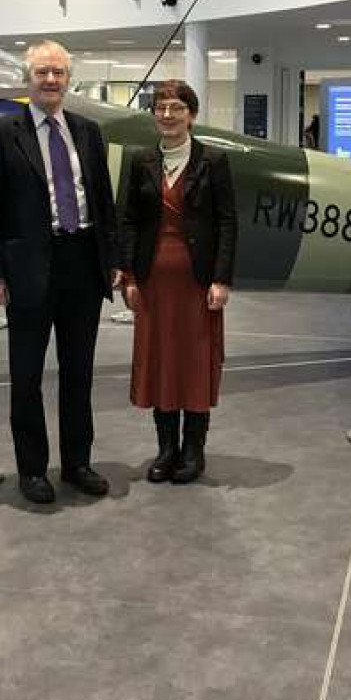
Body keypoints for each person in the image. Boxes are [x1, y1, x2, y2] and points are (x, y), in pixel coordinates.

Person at [0, 40, 119, 505]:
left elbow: (103, 202)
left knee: (79, 373)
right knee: (27, 377)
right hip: (28, 270)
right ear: (28, 78)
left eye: (58, 72)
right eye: (43, 72)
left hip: (82, 263)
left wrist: (112, 260)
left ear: (69, 78)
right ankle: (33, 470)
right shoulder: (1, 133)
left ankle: (77, 463)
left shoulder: (88, 132)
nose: (52, 80)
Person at [120, 80, 238, 485]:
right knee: (160, 362)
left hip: (197, 282)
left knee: (194, 362)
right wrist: (130, 276)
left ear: (191, 114)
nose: (167, 115)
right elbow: (130, 221)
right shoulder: (140, 161)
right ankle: (166, 449)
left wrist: (221, 279)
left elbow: (227, 223)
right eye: (160, 108)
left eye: (176, 108)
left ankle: (194, 451)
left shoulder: (213, 161)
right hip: (154, 282)